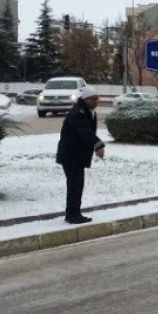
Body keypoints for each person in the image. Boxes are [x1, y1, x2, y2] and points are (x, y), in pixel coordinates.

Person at [56, 86, 105, 224]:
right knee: (74, 185)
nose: (96, 101)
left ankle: (74, 212)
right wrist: (98, 144)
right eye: (93, 99)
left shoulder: (88, 111)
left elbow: (88, 133)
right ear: (85, 99)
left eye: (97, 98)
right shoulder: (78, 113)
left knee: (77, 184)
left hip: (77, 155)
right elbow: (85, 131)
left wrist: (96, 145)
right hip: (71, 155)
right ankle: (72, 215)